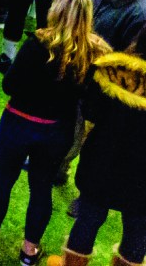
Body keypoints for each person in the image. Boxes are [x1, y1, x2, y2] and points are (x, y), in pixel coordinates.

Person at [0, 0, 111, 263]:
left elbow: (9, 84)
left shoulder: (37, 43)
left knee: (3, 178)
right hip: (57, 131)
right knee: (41, 186)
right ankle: (29, 250)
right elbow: (91, 98)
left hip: (18, 124)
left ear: (57, 11)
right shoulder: (93, 53)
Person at [56, 43, 146, 266]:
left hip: (101, 162)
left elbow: (89, 111)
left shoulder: (110, 69)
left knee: (89, 218)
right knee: (137, 229)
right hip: (142, 176)